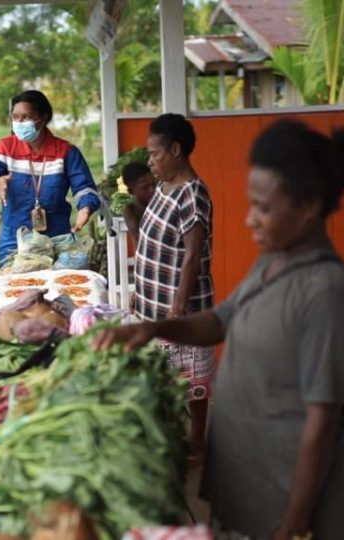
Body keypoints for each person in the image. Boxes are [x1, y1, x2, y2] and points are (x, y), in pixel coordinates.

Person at [95, 119, 344, 540]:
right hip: (251, 486)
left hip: (291, 505)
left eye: (264, 208)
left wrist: (294, 521)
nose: (249, 220)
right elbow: (220, 320)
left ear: (309, 206)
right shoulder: (274, 261)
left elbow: (322, 423)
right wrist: (153, 329)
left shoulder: (326, 293)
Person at [134, 113, 215, 452]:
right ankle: (168, 433)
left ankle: (196, 441)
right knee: (162, 375)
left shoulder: (192, 194)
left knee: (191, 379)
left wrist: (178, 307)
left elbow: (193, 255)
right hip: (153, 301)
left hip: (180, 309)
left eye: (155, 154)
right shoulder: (165, 187)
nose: (150, 161)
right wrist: (138, 292)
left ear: (176, 150)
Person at [0, 90, 102, 264]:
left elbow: (84, 187)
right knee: (13, 280)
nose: (19, 123)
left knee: (61, 280)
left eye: (26, 117)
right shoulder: (5, 147)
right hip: (15, 238)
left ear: (42, 118)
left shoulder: (66, 151)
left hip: (57, 238)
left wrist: (85, 209)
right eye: (15, 117)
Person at [120, 161, 156, 243]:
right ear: (131, 190)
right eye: (145, 187)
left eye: (154, 184)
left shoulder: (160, 201)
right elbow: (140, 240)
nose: (152, 190)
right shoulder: (130, 210)